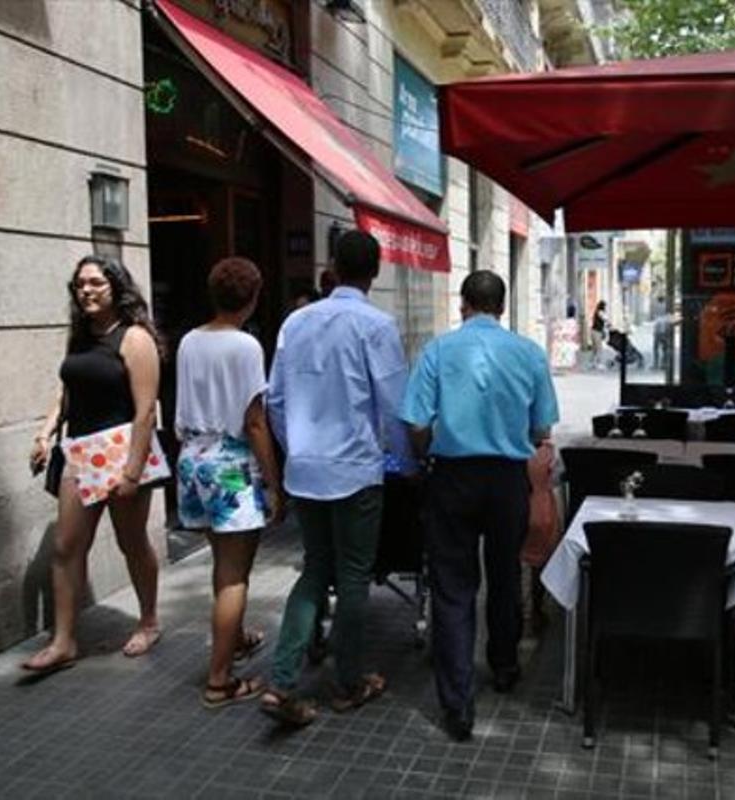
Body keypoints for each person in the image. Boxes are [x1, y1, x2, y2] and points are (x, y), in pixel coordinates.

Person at [260, 230, 414, 725]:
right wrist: (409, 463)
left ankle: (282, 680)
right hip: (354, 471)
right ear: (376, 271)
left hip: (305, 470)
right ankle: (348, 683)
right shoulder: (376, 324)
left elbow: (275, 401)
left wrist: (297, 449)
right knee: (352, 577)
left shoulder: (295, 322)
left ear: (332, 267)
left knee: (314, 570)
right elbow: (394, 406)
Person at [402, 270, 560, 742]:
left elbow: (413, 422)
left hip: (452, 477)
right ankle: (506, 665)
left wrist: (424, 452)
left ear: (464, 305)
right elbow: (541, 430)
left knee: (453, 588)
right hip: (507, 479)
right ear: (503, 307)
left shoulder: (436, 350)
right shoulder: (529, 353)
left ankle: (457, 706)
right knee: (506, 574)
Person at [24, 256, 163, 672]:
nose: (85, 290)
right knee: (66, 547)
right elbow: (68, 393)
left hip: (122, 453)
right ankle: (63, 641)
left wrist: (132, 472)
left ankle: (149, 621)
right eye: (79, 284)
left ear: (116, 287)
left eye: (95, 283)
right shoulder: (81, 337)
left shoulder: (134, 338)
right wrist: (46, 433)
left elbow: (145, 412)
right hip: (80, 453)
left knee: (131, 542)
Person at [174, 257, 284, 708]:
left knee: (223, 561)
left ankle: (234, 638)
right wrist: (275, 483)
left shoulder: (188, 341)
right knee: (233, 576)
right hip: (231, 463)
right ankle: (220, 680)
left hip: (192, 459)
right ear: (253, 298)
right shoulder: (245, 347)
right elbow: (254, 421)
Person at [590, 300, 608, 368]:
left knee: (594, 349)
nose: (606, 308)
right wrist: (609, 324)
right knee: (599, 348)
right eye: (605, 306)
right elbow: (605, 318)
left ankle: (593, 363)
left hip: (593, 331)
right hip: (597, 332)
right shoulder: (600, 312)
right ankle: (599, 363)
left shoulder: (597, 311)